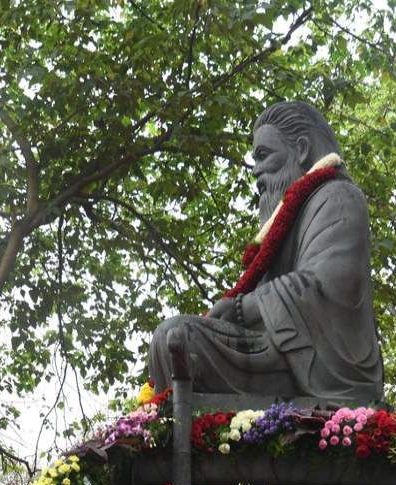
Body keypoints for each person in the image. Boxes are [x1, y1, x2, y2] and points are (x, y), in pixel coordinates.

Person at [150, 100, 384, 405]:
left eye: (264, 155)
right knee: (173, 341)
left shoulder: (337, 197)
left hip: (317, 361)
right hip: (277, 346)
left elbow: (327, 285)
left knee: (177, 335)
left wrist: (239, 310)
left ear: (301, 149)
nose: (256, 170)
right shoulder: (286, 217)